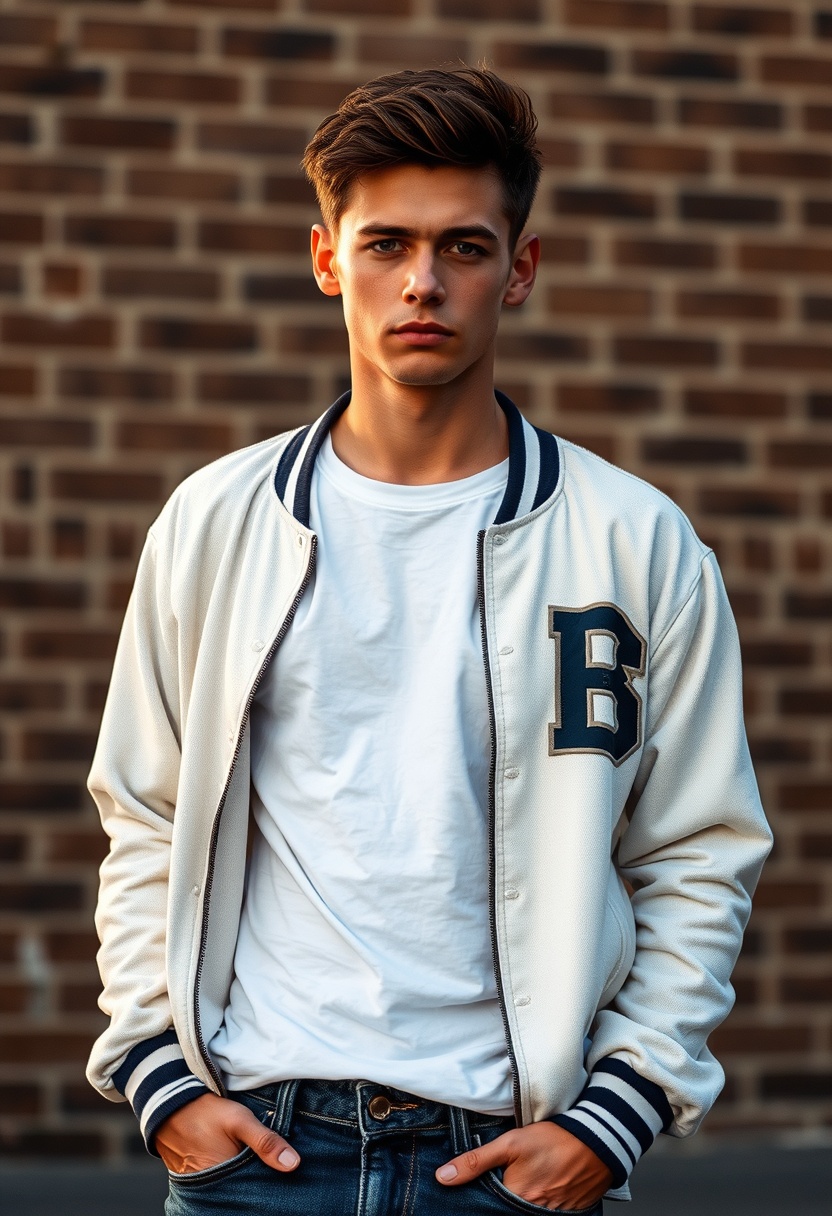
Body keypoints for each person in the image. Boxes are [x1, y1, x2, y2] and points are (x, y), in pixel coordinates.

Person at [86, 67, 772, 1215]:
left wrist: (619, 1111)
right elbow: (145, 813)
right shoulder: (216, 524)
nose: (421, 283)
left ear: (521, 269)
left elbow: (698, 850)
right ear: (324, 259)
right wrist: (162, 1082)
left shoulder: (635, 543)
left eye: (462, 246)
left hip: (518, 1155)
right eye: (385, 244)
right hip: (260, 1146)